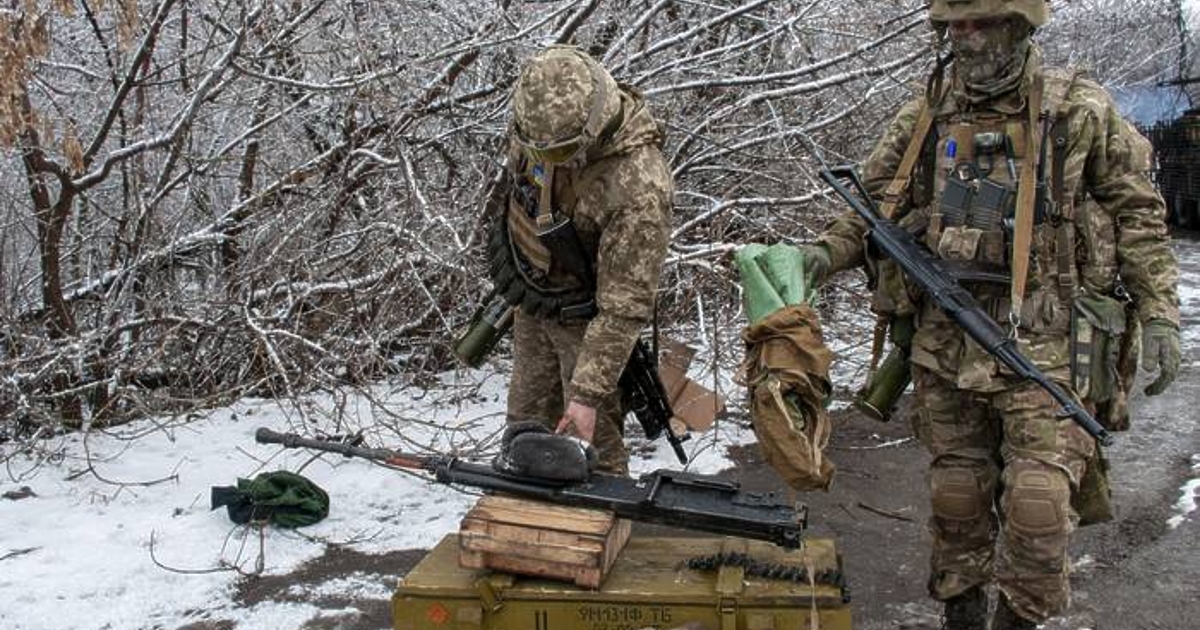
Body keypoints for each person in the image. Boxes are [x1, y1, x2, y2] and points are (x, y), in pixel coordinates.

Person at [799, 2, 1181, 629]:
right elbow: (869, 206)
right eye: (954, 27)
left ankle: (1018, 619)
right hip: (947, 339)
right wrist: (821, 255)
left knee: (1037, 502)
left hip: (1048, 342)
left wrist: (1160, 309)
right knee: (957, 496)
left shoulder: (1077, 111)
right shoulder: (928, 113)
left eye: (979, 25)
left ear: (1018, 27)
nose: (964, 39)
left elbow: (1139, 212)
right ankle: (962, 613)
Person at [485, 45, 673, 475]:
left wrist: (587, 394)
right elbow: (520, 191)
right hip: (535, 299)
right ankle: (528, 520)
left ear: (592, 126)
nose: (541, 160)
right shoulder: (541, 121)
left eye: (555, 154)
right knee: (525, 429)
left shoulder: (638, 187)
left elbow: (624, 308)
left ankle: (595, 530)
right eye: (532, 147)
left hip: (589, 326)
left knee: (591, 446)